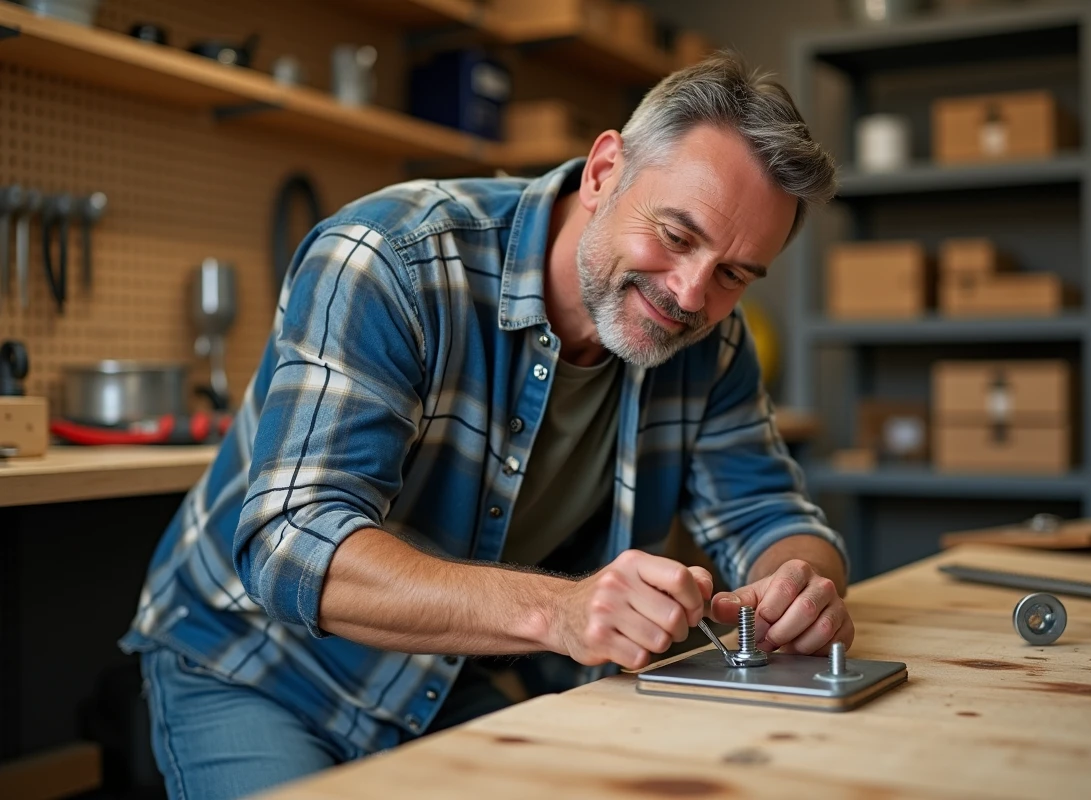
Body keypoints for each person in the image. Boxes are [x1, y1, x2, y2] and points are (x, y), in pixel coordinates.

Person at [120, 51, 848, 800]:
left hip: (440, 678)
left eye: (733, 274)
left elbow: (768, 513)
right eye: (676, 236)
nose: (691, 294)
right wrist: (559, 612)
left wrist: (802, 586)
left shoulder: (709, 342)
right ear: (604, 172)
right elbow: (292, 542)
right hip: (254, 666)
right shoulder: (388, 260)